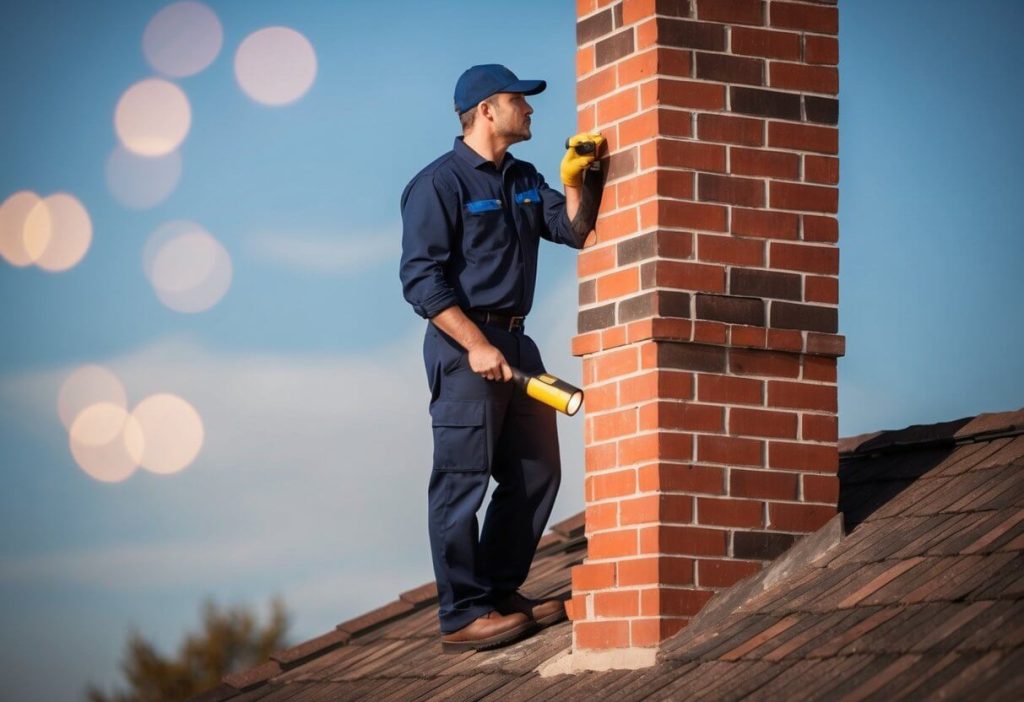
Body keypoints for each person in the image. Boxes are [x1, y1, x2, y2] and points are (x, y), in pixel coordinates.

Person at [399, 64, 603, 652]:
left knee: (537, 471)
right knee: (461, 481)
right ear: (487, 110)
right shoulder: (439, 185)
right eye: (521, 101)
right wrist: (477, 344)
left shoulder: (522, 177)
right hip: (466, 348)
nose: (531, 110)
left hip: (518, 344)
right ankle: (463, 613)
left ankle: (497, 590)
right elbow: (421, 281)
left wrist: (575, 180)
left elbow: (573, 230)